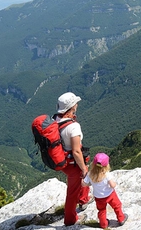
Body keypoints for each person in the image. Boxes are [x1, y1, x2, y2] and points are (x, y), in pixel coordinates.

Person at [55, 92, 93, 225]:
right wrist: (83, 168)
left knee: (82, 177)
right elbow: (77, 151)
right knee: (72, 192)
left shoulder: (55, 120)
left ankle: (83, 200)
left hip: (64, 161)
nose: (77, 104)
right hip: (73, 163)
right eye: (75, 103)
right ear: (72, 107)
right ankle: (70, 220)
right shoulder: (73, 126)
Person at [82, 152, 128, 228]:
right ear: (106, 165)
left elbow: (84, 184)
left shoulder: (90, 174)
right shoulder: (106, 174)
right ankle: (121, 219)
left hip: (98, 197)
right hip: (110, 195)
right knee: (117, 206)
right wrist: (115, 183)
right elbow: (112, 185)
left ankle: (104, 224)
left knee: (102, 210)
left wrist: (82, 179)